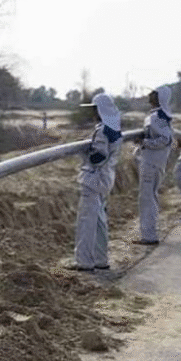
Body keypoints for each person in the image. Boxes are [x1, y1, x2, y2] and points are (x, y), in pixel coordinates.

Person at [71, 93, 123, 271]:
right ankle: (101, 259)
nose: (93, 113)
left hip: (94, 179)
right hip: (105, 178)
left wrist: (84, 153)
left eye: (94, 109)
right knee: (100, 220)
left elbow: (98, 157)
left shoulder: (102, 131)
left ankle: (84, 261)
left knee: (87, 221)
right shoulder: (114, 128)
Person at [132, 85, 173, 245]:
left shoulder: (157, 117)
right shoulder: (158, 115)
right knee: (150, 197)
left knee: (147, 198)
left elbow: (165, 139)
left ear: (159, 97)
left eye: (153, 93)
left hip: (152, 162)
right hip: (154, 161)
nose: (149, 94)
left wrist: (144, 142)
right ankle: (150, 233)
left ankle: (149, 236)